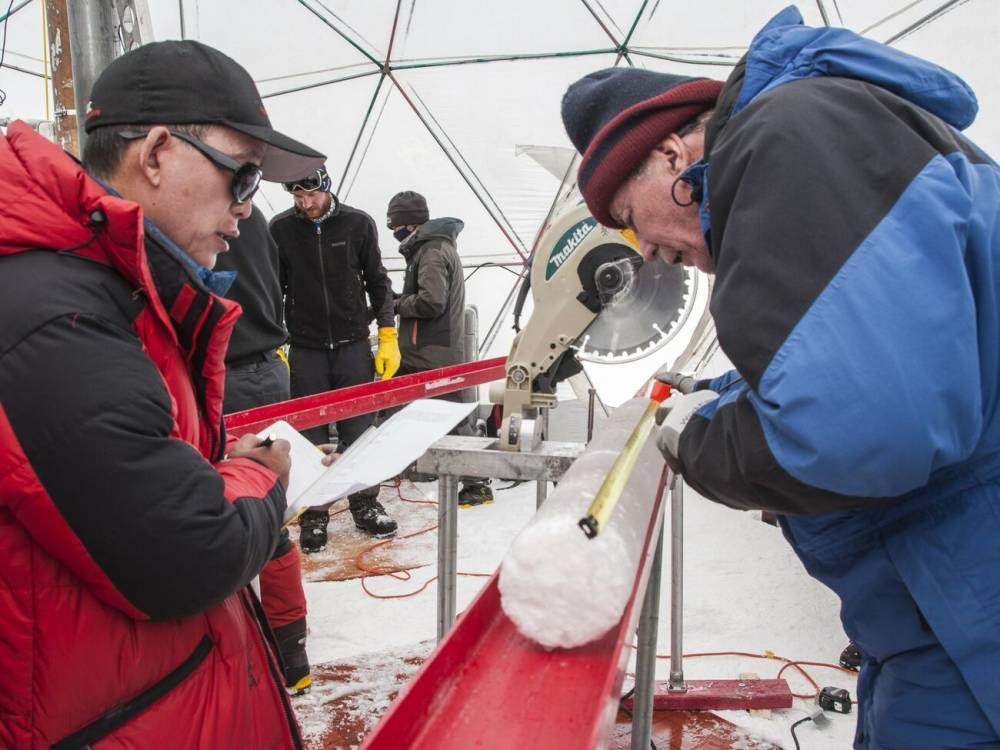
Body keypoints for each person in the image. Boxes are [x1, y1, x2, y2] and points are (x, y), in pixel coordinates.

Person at [560, 7, 1000, 749]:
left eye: (636, 222)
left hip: (968, 597)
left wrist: (694, 439)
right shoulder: (815, 135)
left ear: (672, 155)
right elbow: (887, 346)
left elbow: (858, 429)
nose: (653, 255)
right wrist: (726, 396)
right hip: (937, 597)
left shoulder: (786, 135)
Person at [0, 40, 326, 747]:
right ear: (154, 154)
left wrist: (208, 470)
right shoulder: (55, 313)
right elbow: (192, 549)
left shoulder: (104, 288)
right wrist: (259, 475)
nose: (248, 210)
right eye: (243, 178)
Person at [270, 167, 400, 548]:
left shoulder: (357, 224)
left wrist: (388, 333)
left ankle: (365, 505)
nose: (305, 204)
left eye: (310, 195)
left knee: (357, 429)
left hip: (352, 345)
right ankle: (315, 513)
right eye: (297, 198)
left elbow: (378, 280)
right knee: (310, 434)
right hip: (306, 347)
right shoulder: (280, 230)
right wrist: (276, 339)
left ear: (325, 188)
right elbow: (274, 289)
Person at [216, 203, 312, 695]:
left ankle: (263, 657)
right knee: (272, 515)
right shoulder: (253, 218)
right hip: (269, 368)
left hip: (227, 374)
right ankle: (292, 653)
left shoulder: (200, 213)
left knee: (236, 512)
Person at [386, 191, 493, 506]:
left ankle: (478, 483)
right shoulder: (433, 247)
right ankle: (395, 471)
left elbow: (432, 301)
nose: (393, 231)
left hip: (432, 353)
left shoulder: (431, 251)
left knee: (452, 419)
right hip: (430, 351)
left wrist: (395, 304)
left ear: (405, 223)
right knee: (396, 407)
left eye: (394, 224)